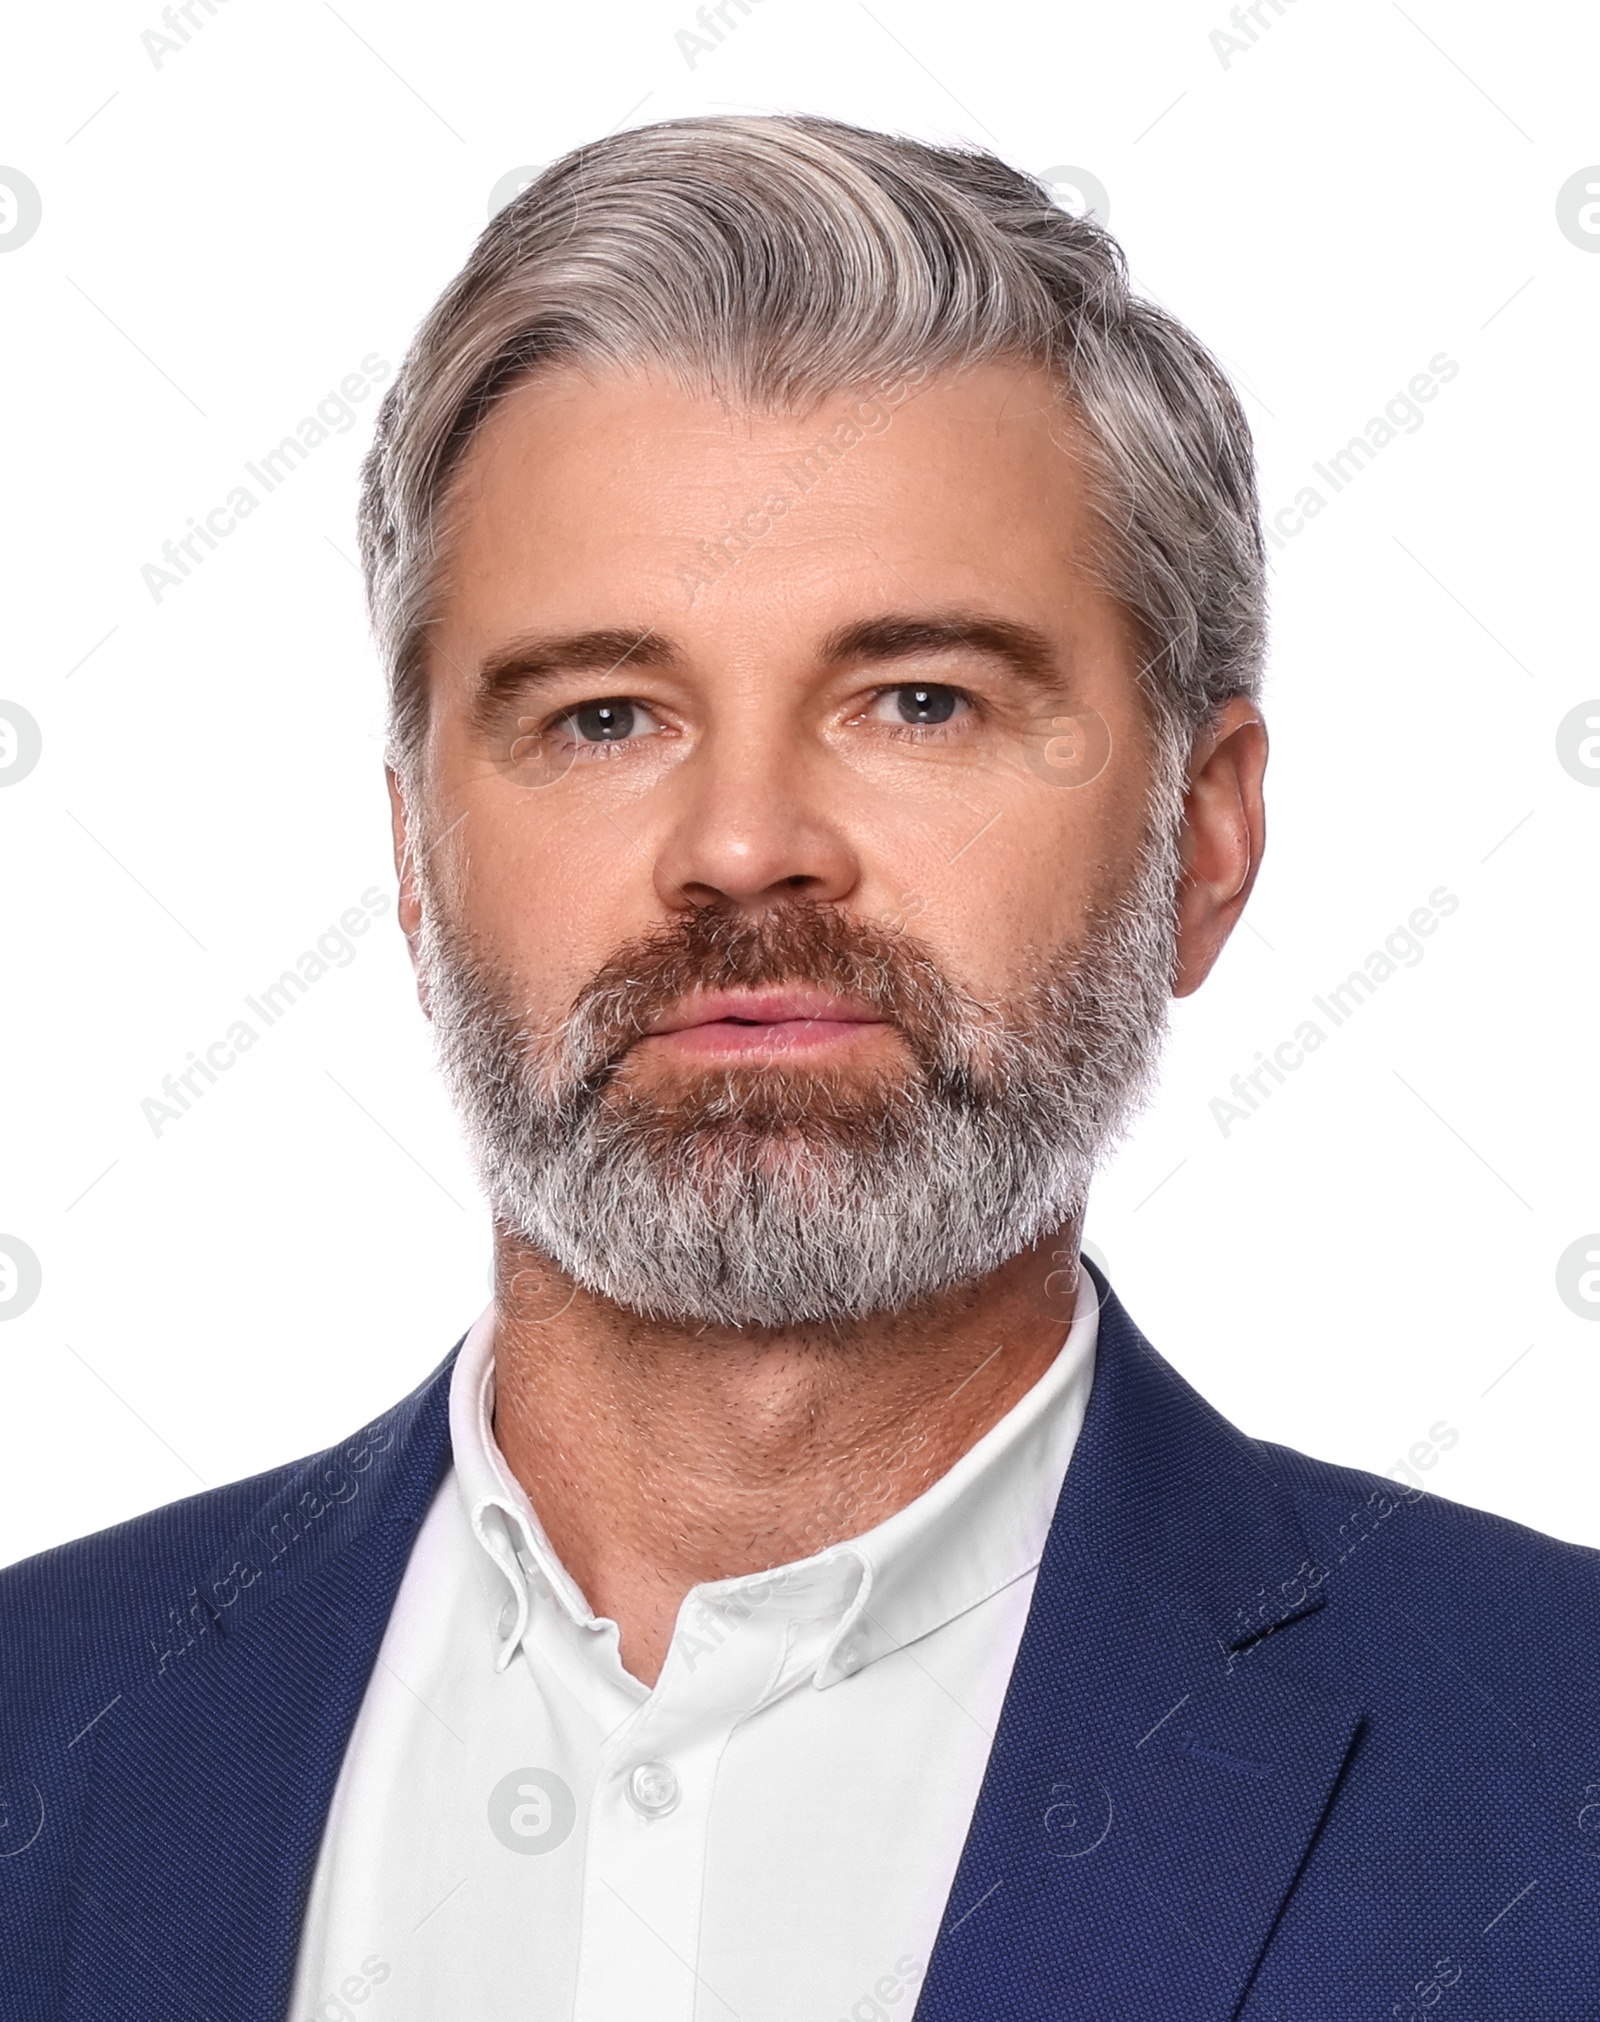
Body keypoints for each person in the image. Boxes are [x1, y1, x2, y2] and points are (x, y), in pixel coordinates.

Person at [2, 113, 1594, 2022]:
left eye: (918, 700)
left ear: (1209, 834)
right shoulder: (43, 1724)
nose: (744, 842)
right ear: (418, 860)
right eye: (603, 715)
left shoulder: (1550, 1770)